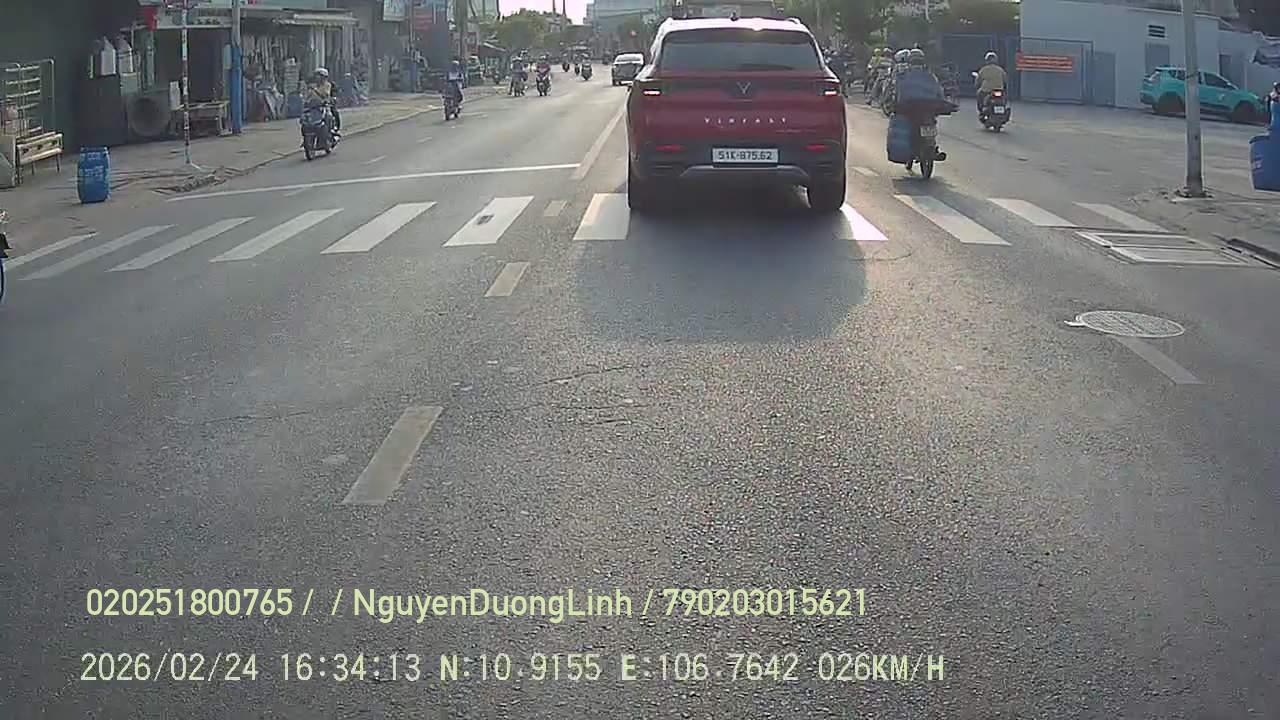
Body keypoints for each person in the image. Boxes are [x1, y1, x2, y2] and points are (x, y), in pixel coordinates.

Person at [893, 48, 950, 170]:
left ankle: (927, 146)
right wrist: (942, 101)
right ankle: (932, 146)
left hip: (913, 108)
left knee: (909, 125)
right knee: (929, 123)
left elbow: (899, 92)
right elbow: (938, 90)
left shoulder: (905, 75)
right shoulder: (929, 75)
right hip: (929, 107)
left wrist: (897, 104)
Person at [306, 67, 339, 135]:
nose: (317, 77)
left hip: (324, 105)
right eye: (316, 76)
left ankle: (333, 128)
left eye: (319, 76)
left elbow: (325, 95)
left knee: (331, 114)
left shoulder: (327, 85)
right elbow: (308, 96)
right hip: (313, 106)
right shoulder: (312, 85)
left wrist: (315, 90)